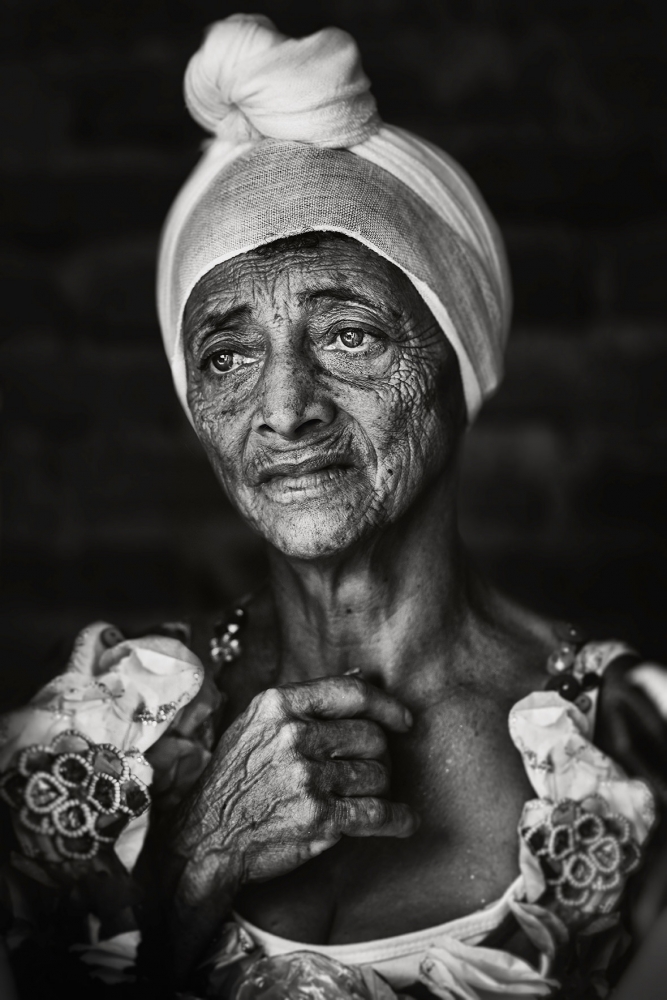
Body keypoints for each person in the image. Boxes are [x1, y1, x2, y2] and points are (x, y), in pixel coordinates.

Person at [1, 14, 666, 1000]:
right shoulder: (92, 743)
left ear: (460, 360)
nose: (282, 411)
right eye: (226, 355)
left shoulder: (626, 764)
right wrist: (191, 864)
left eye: (350, 337)